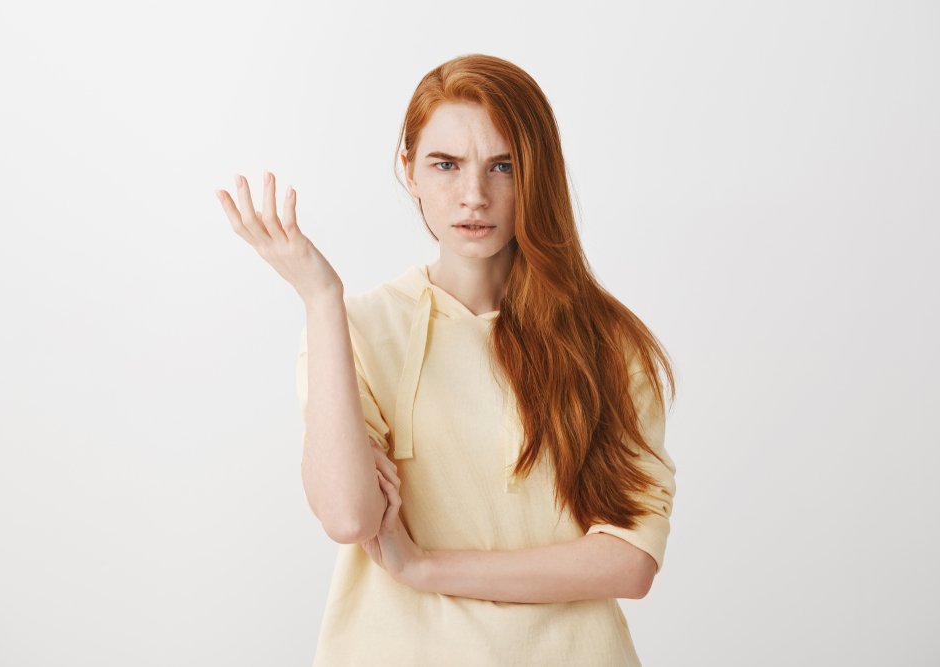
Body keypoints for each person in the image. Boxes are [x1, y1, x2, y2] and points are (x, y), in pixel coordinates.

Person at [215, 53, 677, 667]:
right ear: (409, 171)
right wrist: (322, 300)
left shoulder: (607, 342)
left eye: (502, 166)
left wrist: (428, 568)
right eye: (446, 165)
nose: (474, 196)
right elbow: (349, 515)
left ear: (537, 174)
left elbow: (629, 561)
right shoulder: (358, 329)